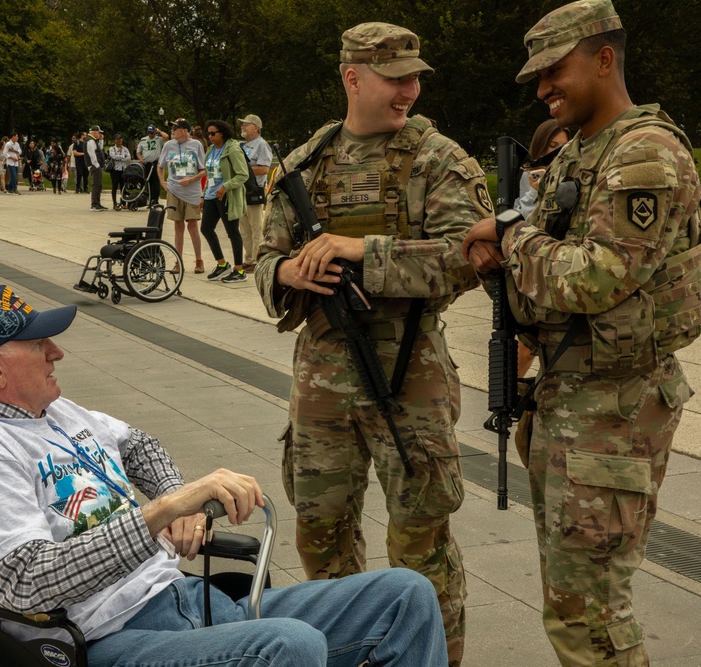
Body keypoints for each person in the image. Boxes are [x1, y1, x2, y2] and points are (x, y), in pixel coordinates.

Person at [0, 285, 448, 667]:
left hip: (180, 601)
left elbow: (140, 446)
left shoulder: (60, 411)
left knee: (407, 594)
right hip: (100, 640)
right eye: (39, 343)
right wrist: (162, 513)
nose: (57, 352)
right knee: (289, 647)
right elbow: (29, 584)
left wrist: (174, 494)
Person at [461, 2, 701, 665]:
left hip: (614, 409)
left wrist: (510, 237)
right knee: (574, 607)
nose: (542, 88)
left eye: (553, 70)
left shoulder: (642, 155)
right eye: (536, 76)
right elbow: (542, 283)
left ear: (603, 59)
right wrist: (498, 261)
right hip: (575, 402)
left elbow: (594, 280)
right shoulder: (580, 156)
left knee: (591, 614)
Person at [255, 23, 493, 667]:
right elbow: (264, 256)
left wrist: (362, 251)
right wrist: (287, 271)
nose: (410, 90)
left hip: (409, 376)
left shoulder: (438, 158)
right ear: (352, 77)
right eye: (397, 78)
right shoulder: (307, 163)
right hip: (322, 378)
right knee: (319, 536)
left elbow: (470, 257)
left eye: (416, 77)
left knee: (421, 543)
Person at [200, 119, 249, 283]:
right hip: (211, 196)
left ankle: (239, 270)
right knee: (206, 228)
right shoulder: (211, 149)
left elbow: (243, 174)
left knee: (232, 232)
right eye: (208, 134)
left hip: (226, 197)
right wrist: (203, 194)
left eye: (213, 133)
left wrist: (226, 186)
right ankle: (222, 264)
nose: (210, 136)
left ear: (223, 133)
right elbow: (210, 174)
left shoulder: (233, 149)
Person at [158, 118, 207, 273]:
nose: (172, 130)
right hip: (174, 190)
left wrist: (192, 179)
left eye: (175, 128)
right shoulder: (168, 145)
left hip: (191, 191)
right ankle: (178, 262)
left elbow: (204, 169)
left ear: (184, 131)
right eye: (172, 128)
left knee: (192, 226)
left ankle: (199, 261)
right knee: (178, 226)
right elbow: (160, 167)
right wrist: (163, 183)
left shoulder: (196, 145)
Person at [513, 119, 572, 220]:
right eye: (553, 146)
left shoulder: (571, 174)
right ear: (541, 145)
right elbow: (520, 218)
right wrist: (534, 192)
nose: (559, 152)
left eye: (564, 147)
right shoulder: (527, 176)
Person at [237, 114, 272, 272]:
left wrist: (242, 170)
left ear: (256, 128)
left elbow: (264, 169)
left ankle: (257, 259)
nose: (243, 127)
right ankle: (249, 258)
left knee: (256, 226)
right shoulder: (242, 145)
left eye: (246, 124)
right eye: (242, 125)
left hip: (255, 190)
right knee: (244, 227)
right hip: (241, 190)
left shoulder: (262, 145)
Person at [136, 124, 167, 205]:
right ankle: (149, 198)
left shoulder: (158, 139)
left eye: (152, 133)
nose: (150, 134)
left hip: (156, 162)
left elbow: (166, 137)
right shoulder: (143, 140)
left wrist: (159, 131)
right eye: (148, 133)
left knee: (156, 182)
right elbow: (138, 152)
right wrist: (141, 159)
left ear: (155, 132)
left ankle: (155, 199)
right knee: (148, 181)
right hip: (147, 163)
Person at [108, 134, 132, 210]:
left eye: (120, 139)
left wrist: (121, 158)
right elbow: (113, 156)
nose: (119, 141)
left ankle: (124, 202)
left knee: (123, 186)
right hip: (115, 169)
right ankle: (114, 202)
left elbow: (128, 157)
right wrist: (122, 157)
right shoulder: (112, 149)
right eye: (118, 139)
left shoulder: (125, 149)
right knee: (114, 186)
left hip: (123, 169)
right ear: (115, 140)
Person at [86, 126, 106, 211]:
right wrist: (97, 165)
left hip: (96, 165)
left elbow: (99, 149)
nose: (100, 134)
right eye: (99, 132)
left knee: (99, 184)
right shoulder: (90, 140)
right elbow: (92, 155)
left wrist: (101, 140)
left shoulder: (94, 140)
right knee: (96, 184)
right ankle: (94, 204)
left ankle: (98, 203)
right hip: (94, 165)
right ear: (94, 132)